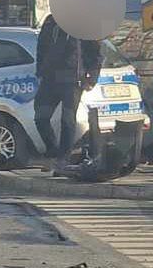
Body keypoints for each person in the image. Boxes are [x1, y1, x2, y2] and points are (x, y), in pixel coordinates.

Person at [34, 14, 103, 164]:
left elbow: (95, 52)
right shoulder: (51, 21)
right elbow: (42, 46)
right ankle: (53, 149)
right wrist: (40, 70)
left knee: (68, 119)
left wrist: (92, 78)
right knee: (41, 116)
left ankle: (63, 158)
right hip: (50, 78)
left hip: (72, 79)